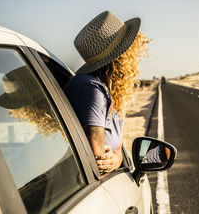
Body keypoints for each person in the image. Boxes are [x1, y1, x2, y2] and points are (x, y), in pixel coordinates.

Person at [64, 11, 150, 173]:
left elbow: (117, 151)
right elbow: (99, 159)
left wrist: (116, 160)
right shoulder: (91, 89)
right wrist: (112, 160)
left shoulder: (110, 91)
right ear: (123, 56)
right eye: (132, 51)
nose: (136, 58)